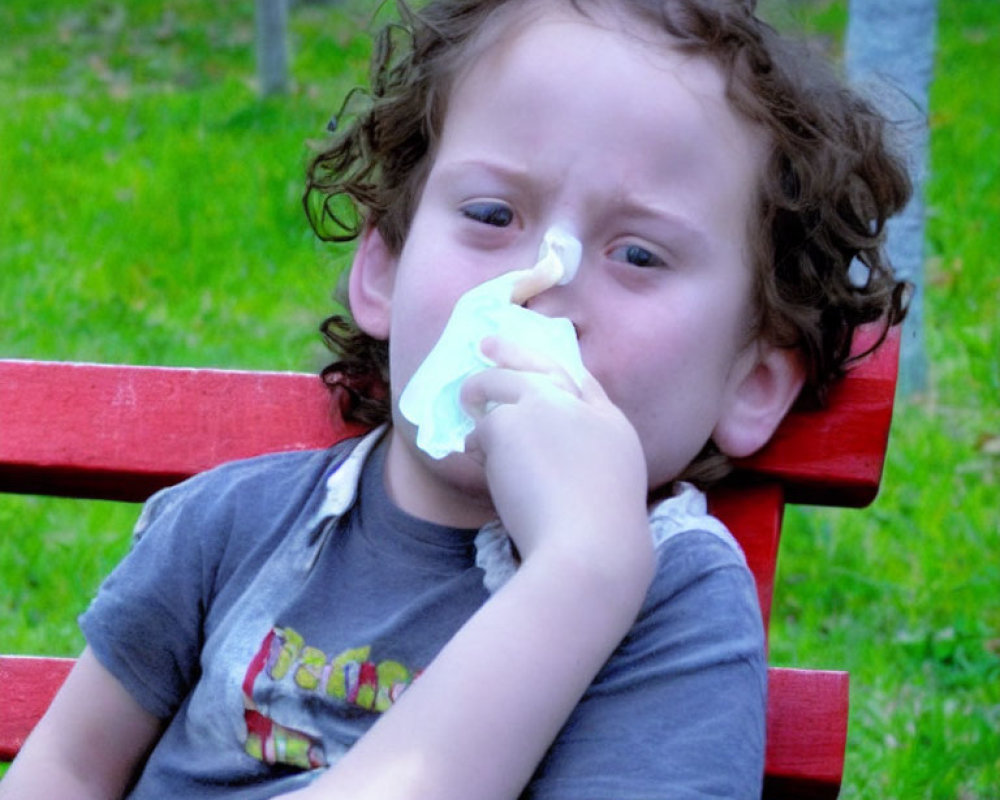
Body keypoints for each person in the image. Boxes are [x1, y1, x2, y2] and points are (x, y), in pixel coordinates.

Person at [0, 0, 910, 798]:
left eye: (638, 254)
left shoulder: (670, 604)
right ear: (386, 267)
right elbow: (68, 770)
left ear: (750, 382)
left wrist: (585, 567)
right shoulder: (228, 528)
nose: (541, 278)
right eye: (491, 216)